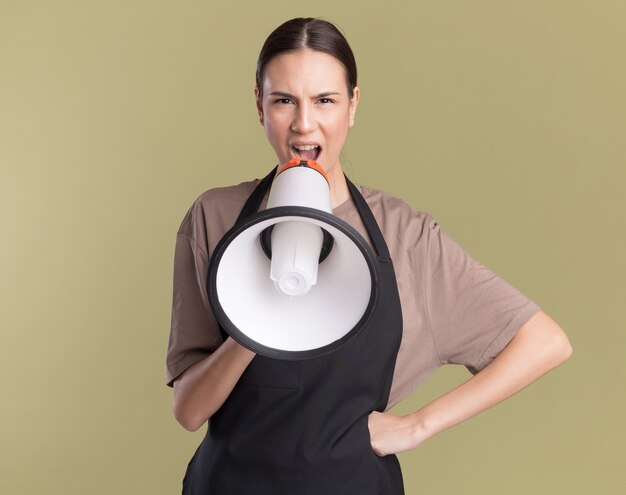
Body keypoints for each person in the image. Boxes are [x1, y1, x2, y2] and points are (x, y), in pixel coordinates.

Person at [166, 17, 572, 494]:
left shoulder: (405, 235)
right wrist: (257, 325)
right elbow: (189, 413)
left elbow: (545, 342)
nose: (304, 123)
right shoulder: (214, 217)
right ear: (259, 105)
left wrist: (418, 425)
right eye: (283, 101)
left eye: (325, 101)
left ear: (352, 106)